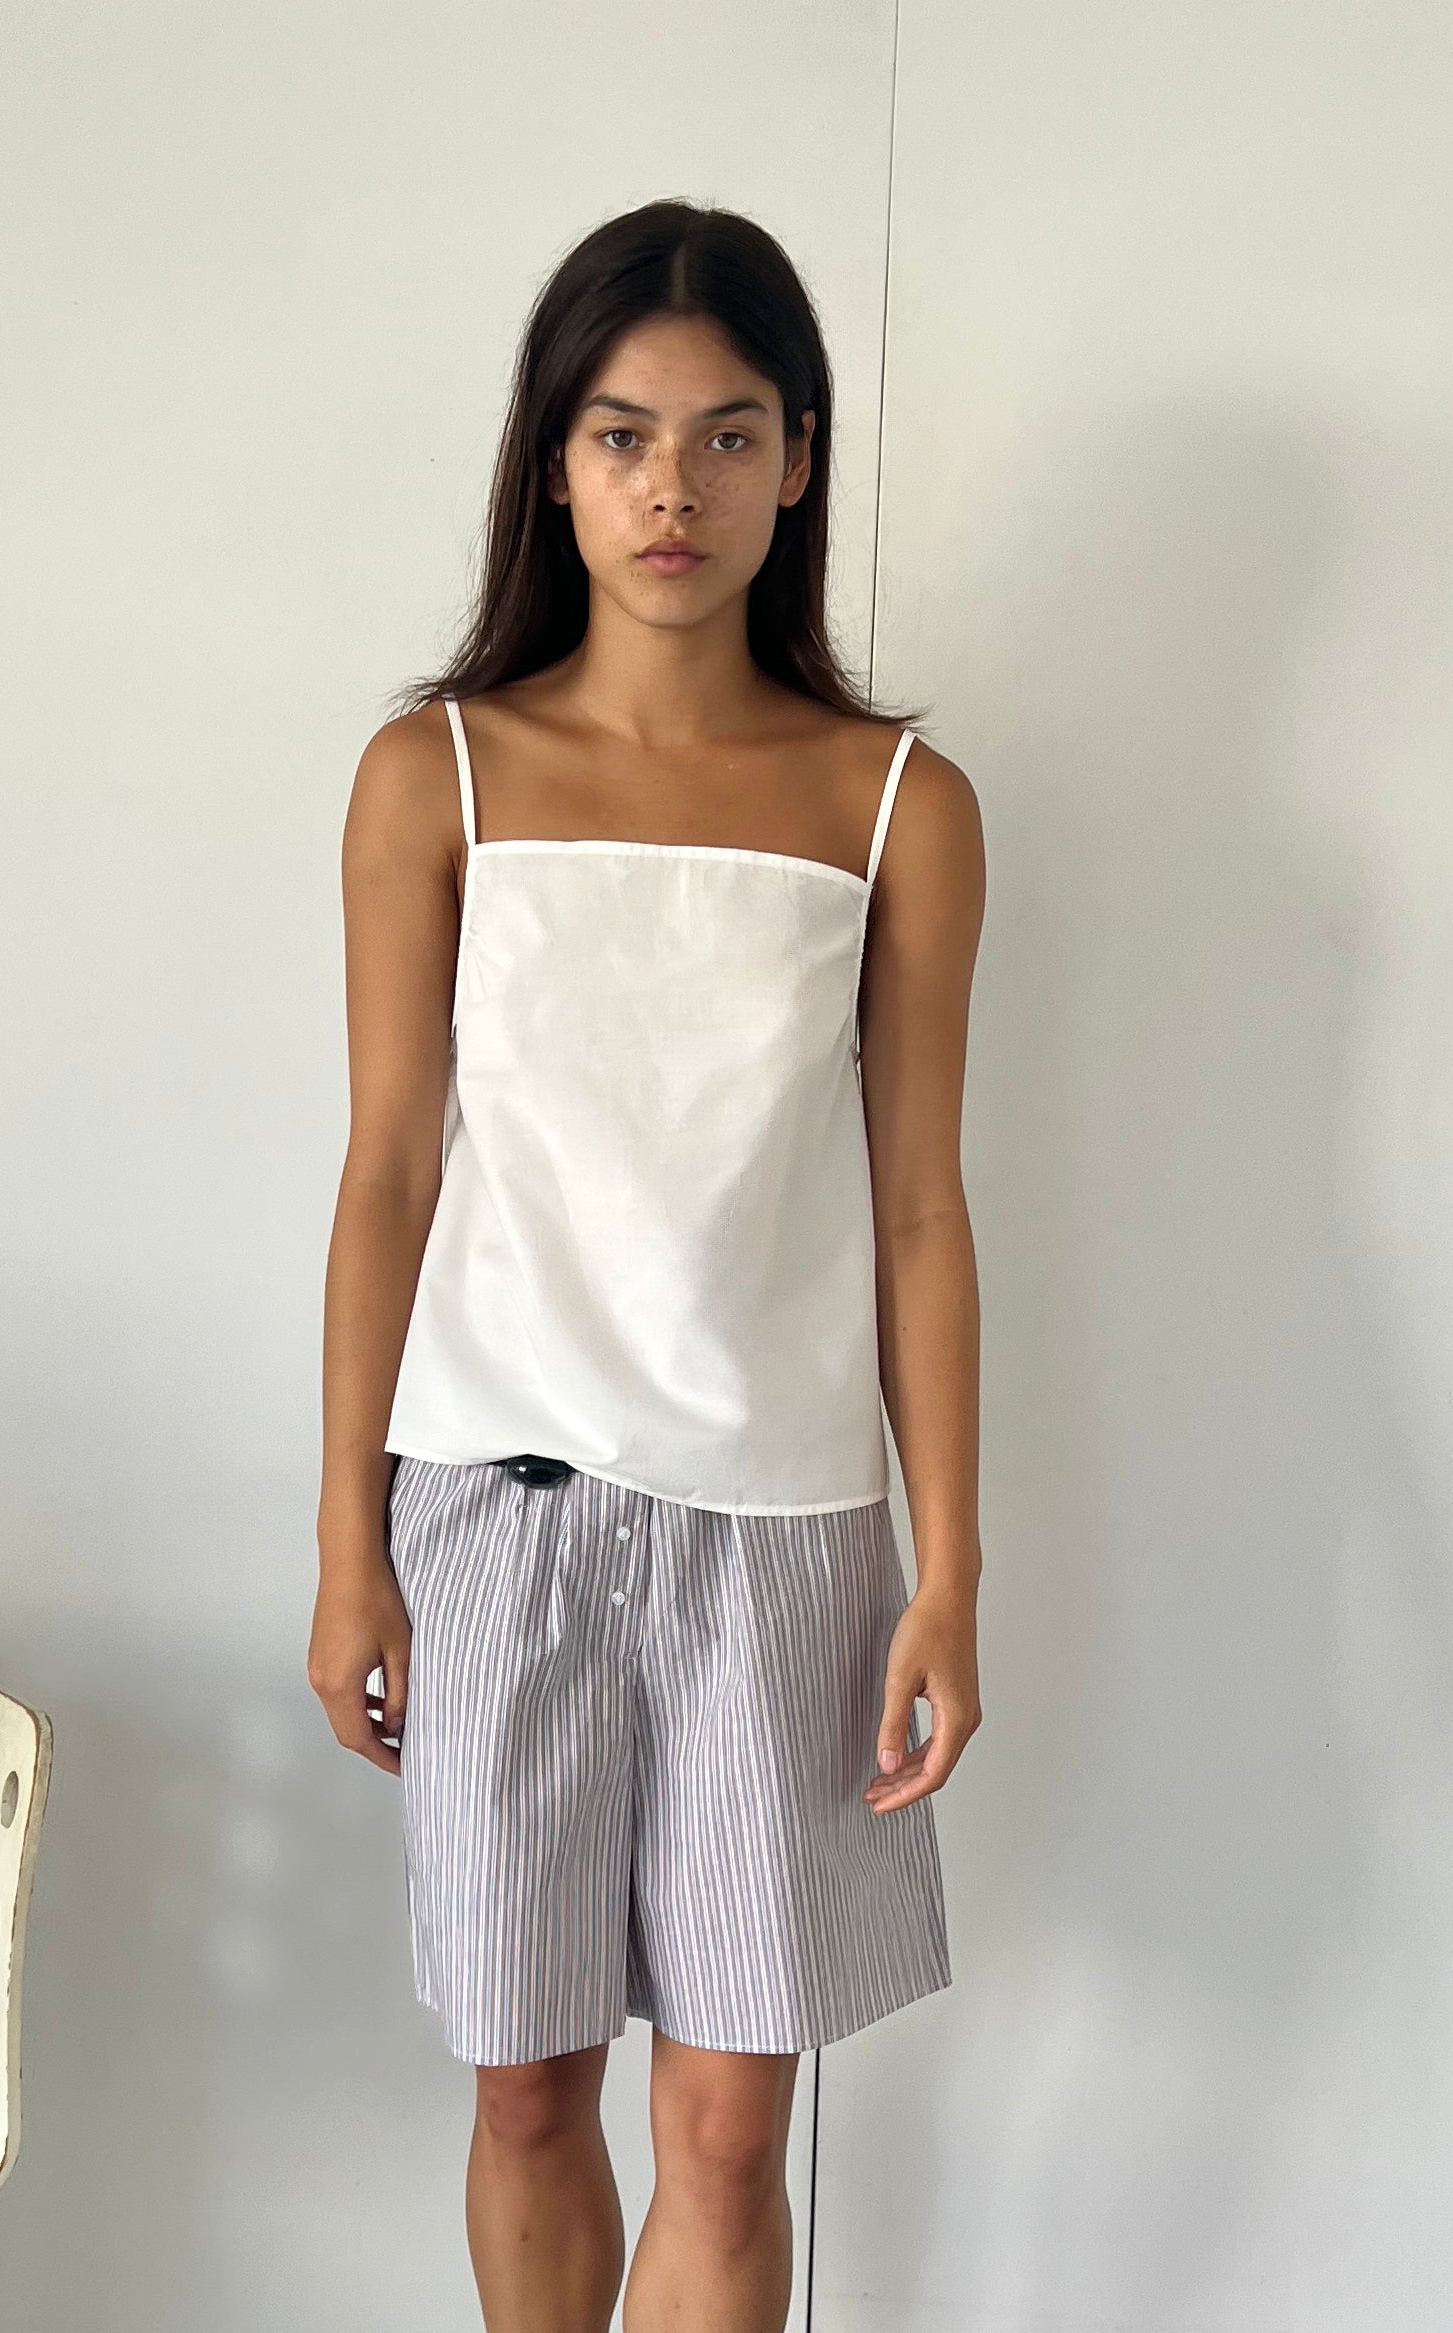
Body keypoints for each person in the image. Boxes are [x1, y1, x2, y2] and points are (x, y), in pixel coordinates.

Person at [309, 198, 985, 2333]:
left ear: (796, 460)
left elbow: (913, 1208)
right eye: (619, 436)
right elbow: (389, 1174)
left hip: (782, 1541)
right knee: (525, 2099)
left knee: (721, 2126)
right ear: (553, 465)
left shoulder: (896, 805)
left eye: (721, 434)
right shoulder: (438, 777)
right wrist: (348, 1543)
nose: (669, 487)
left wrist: (946, 1568)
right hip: (496, 1518)